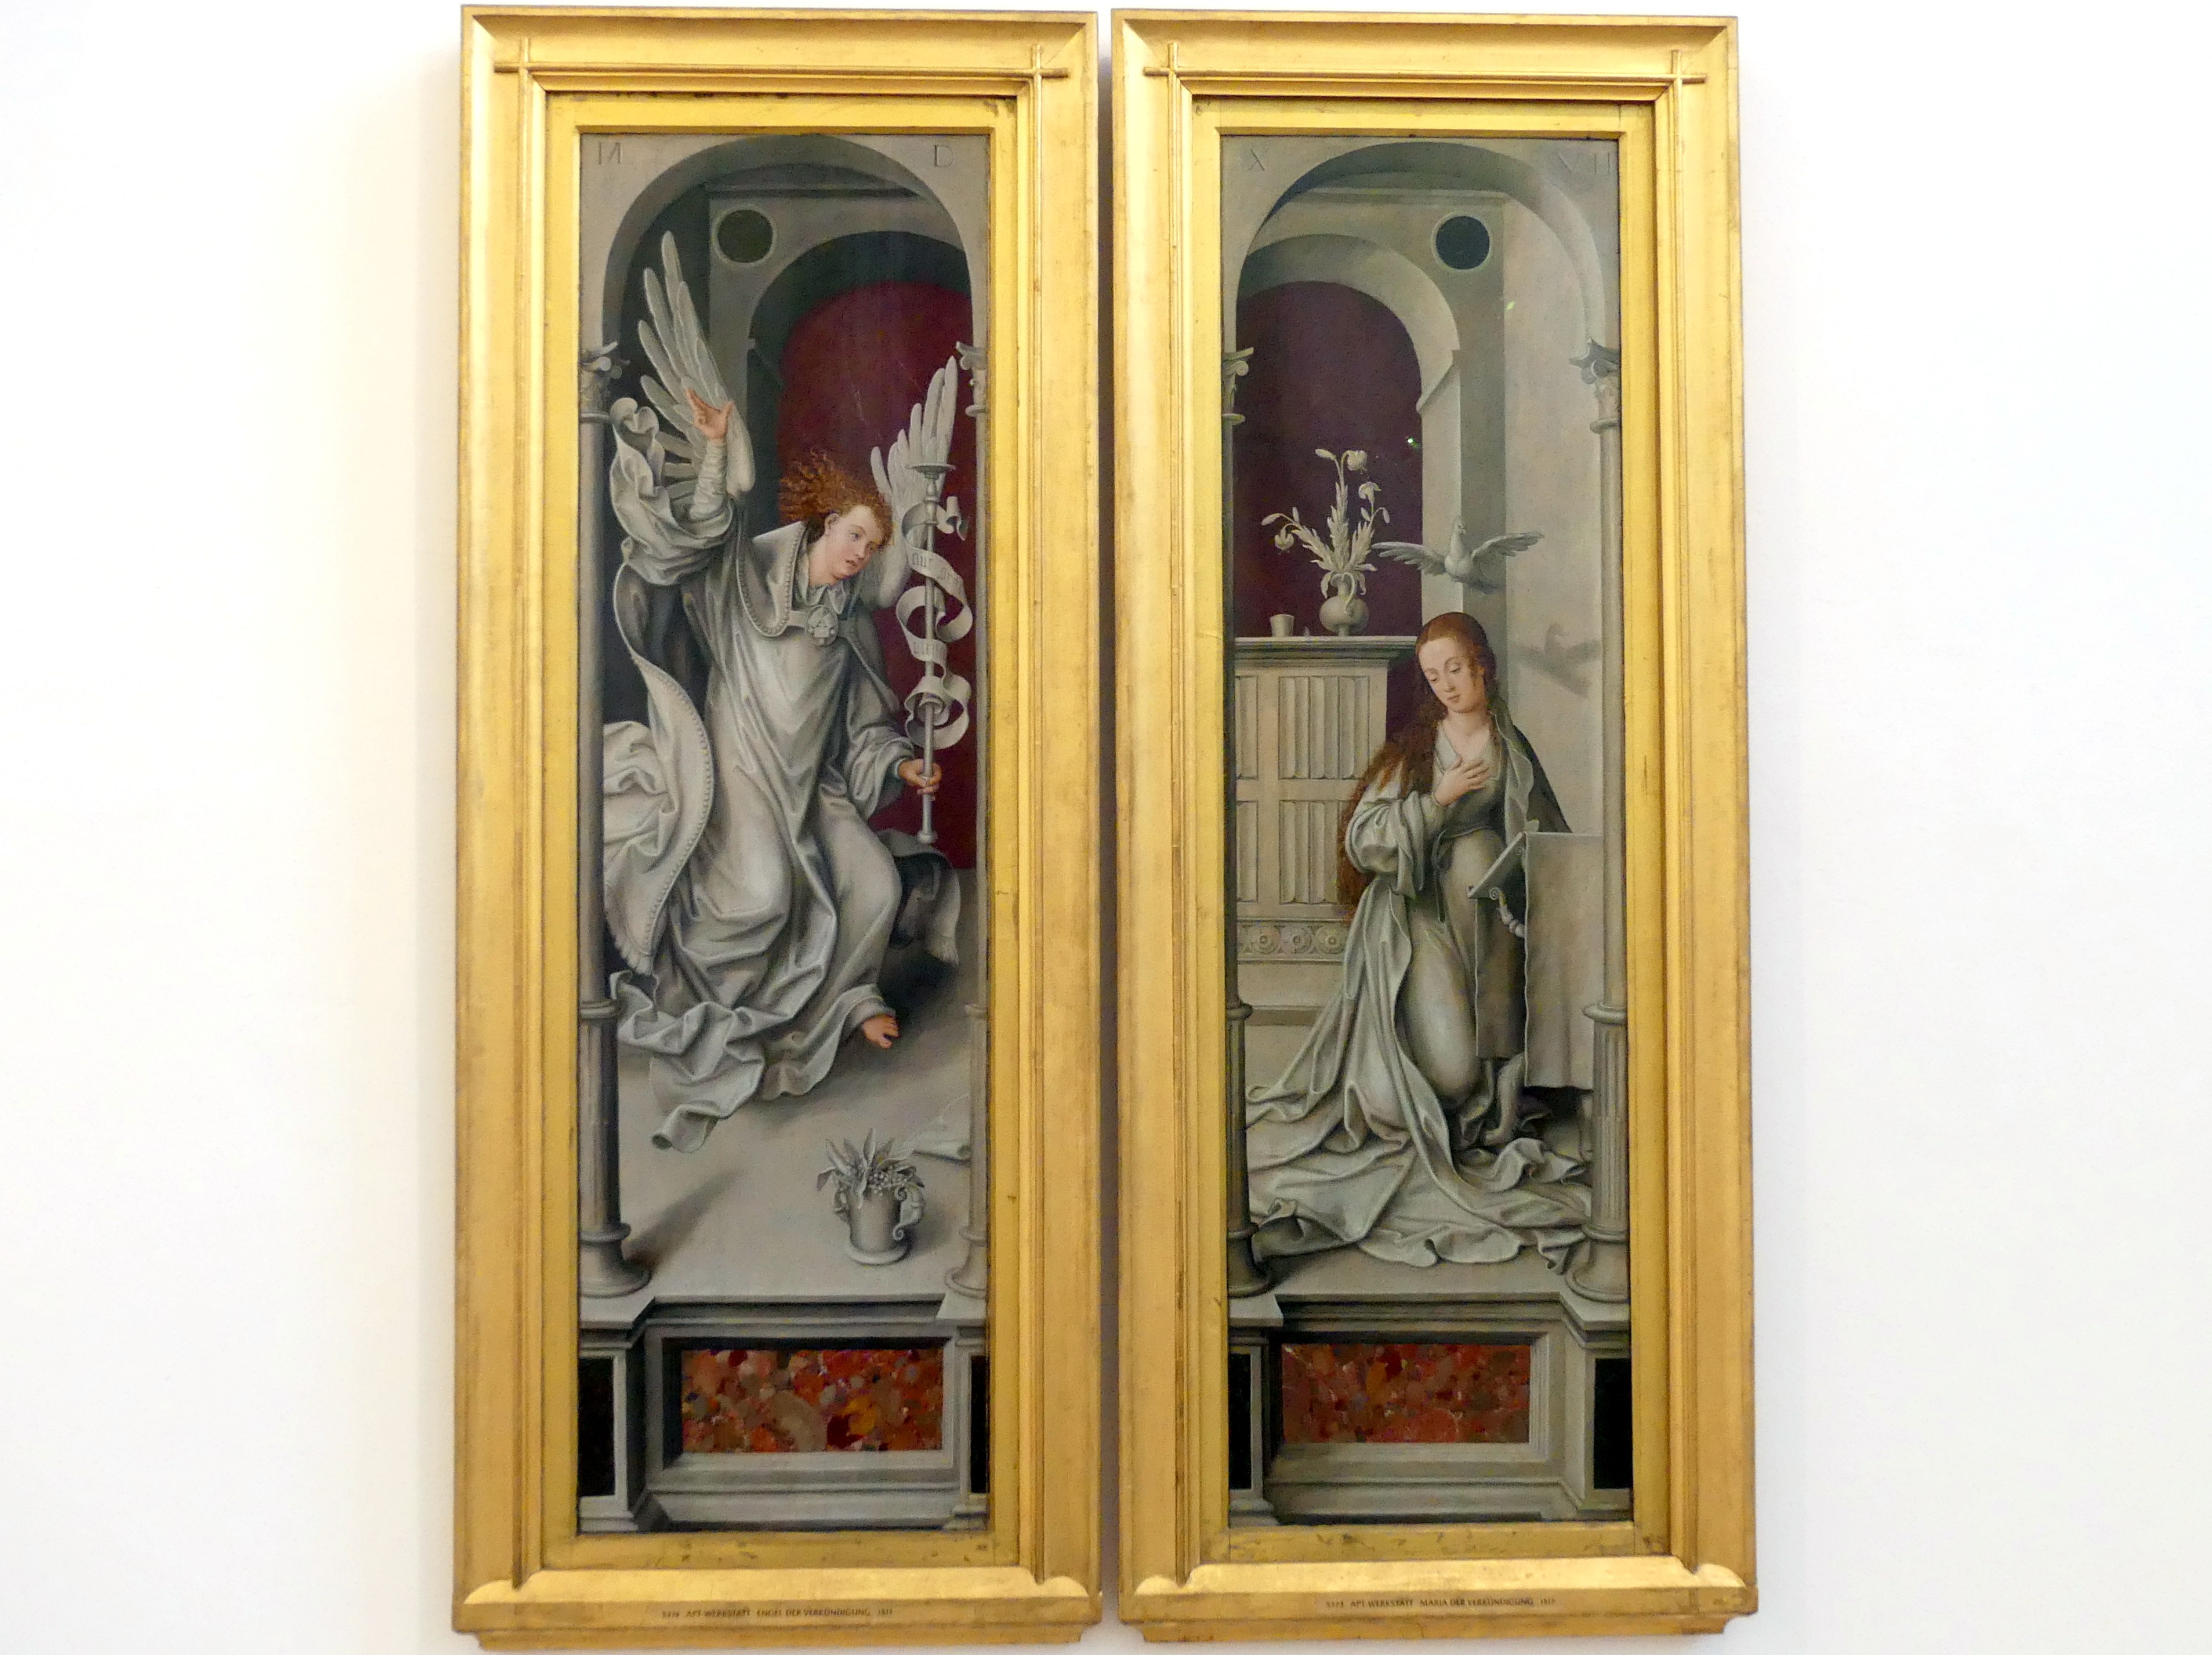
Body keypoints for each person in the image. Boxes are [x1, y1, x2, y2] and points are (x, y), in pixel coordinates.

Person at [600, 386, 943, 1152]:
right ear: (822, 525)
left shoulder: (848, 624)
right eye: (854, 536)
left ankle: (850, 1001)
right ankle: (722, 1027)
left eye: (871, 547)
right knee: (757, 895)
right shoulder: (747, 589)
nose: (860, 555)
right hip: (741, 779)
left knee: (874, 883)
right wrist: (714, 449)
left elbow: (862, 728)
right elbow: (708, 534)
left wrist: (900, 767)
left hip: (811, 789)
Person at [1245, 611, 1590, 1268]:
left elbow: (1549, 838)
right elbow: (1364, 839)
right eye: (1434, 676)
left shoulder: (1512, 747)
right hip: (1417, 924)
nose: (1448, 685)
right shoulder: (1417, 752)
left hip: (1489, 934)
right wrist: (1437, 800)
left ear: (1482, 664)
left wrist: (1537, 894)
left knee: (1481, 1067)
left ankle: (1486, 1111)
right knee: (1450, 1075)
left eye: (1456, 668)